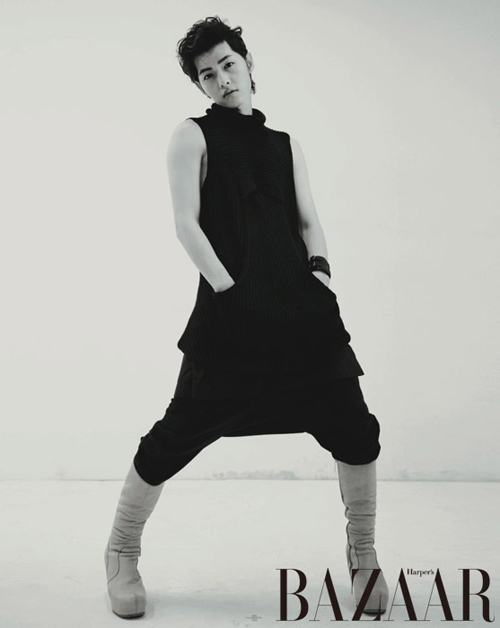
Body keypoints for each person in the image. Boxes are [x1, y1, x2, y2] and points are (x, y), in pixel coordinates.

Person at [104, 16, 389, 620]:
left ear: (248, 62)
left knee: (355, 429)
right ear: (199, 85)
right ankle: (121, 551)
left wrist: (319, 275)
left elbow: (308, 220)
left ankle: (362, 552)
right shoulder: (192, 134)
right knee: (175, 435)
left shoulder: (285, 144)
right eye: (207, 74)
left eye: (228, 64)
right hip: (231, 314)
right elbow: (186, 223)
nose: (222, 80)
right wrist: (230, 291)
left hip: (303, 312)